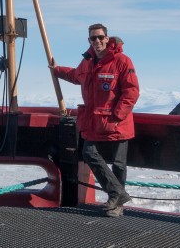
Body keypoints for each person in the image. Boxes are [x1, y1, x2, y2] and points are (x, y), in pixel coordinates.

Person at [50, 23, 140, 217]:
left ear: (107, 38)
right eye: (93, 38)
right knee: (89, 152)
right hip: (94, 121)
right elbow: (75, 76)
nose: (97, 41)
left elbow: (131, 91)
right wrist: (56, 70)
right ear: (89, 40)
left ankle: (116, 204)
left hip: (117, 122)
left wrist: (117, 116)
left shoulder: (122, 61)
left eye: (100, 37)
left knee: (119, 164)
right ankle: (117, 193)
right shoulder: (87, 62)